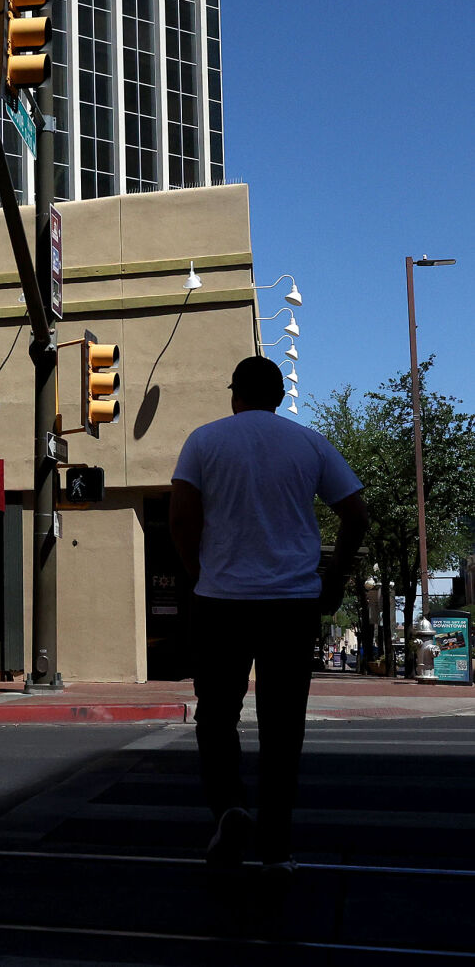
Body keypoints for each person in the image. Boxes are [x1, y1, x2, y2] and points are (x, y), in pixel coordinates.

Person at [170, 356, 369, 880]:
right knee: (283, 728)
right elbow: (356, 512)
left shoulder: (204, 441)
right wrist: (334, 580)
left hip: (221, 602)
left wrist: (198, 573)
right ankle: (277, 850)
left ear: (234, 394)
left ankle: (230, 808)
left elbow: (181, 514)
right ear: (280, 396)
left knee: (216, 717)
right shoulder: (308, 443)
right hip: (292, 603)